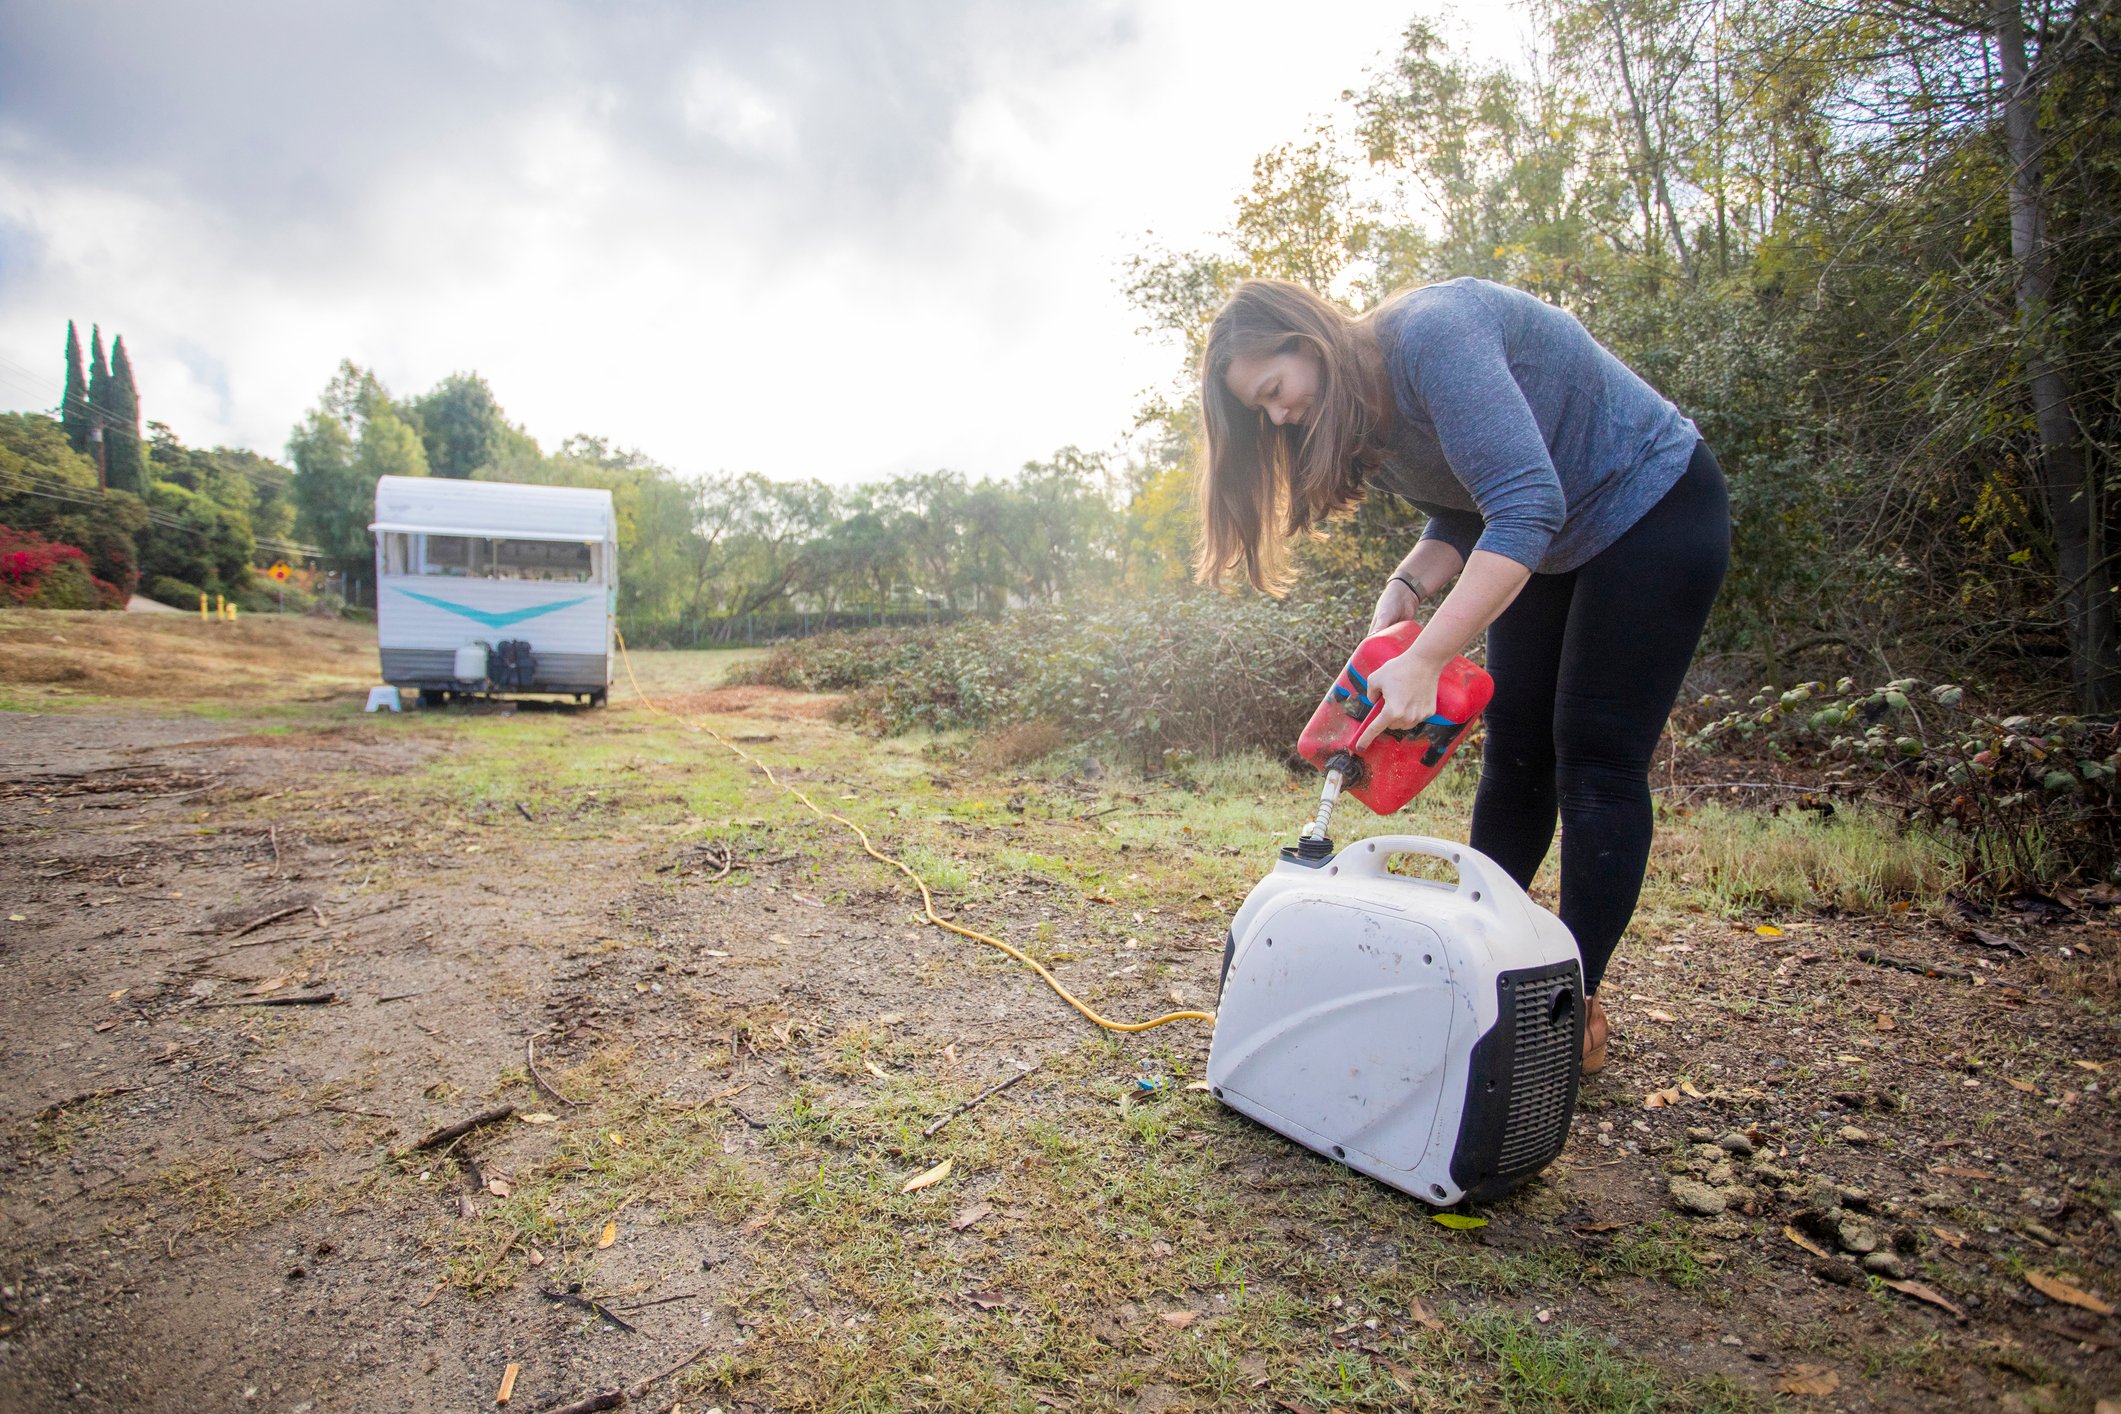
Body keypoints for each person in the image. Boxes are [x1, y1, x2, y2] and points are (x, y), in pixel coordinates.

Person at [1199, 276, 1730, 1074]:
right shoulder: (1351, 411)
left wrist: (1429, 656)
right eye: (1260, 411)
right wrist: (1407, 590)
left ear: (1307, 343)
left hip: (1650, 504)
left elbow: (1522, 502)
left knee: (1592, 757)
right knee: (1517, 752)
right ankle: (1489, 971)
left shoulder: (1434, 337)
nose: (1277, 417)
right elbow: (1465, 502)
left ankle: (1567, 1009)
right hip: (1547, 531)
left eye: (1274, 392)